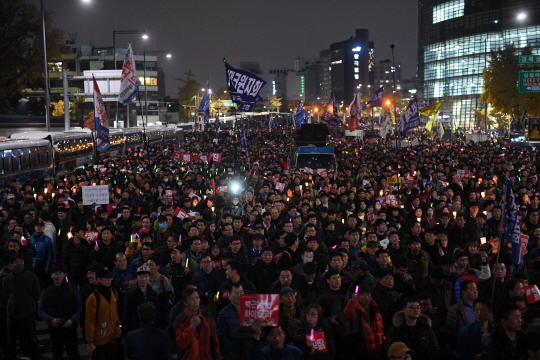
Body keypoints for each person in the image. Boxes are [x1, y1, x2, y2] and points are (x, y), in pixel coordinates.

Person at [37, 263, 82, 360]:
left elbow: (79, 307)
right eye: (55, 273)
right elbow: (40, 310)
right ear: (51, 275)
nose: (57, 276)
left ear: (64, 275)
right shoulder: (46, 291)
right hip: (54, 327)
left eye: (59, 273)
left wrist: (72, 320)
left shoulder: (72, 288)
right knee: (57, 353)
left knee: (73, 352)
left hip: (70, 325)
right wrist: (51, 319)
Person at [3, 252, 41, 360]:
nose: (19, 264)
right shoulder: (7, 278)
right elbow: (7, 294)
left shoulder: (31, 276)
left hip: (28, 312)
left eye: (21, 262)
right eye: (16, 262)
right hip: (13, 313)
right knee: (12, 338)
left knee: (31, 337)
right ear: (12, 264)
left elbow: (37, 293)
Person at [85, 266, 122, 360]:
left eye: (110, 278)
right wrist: (90, 342)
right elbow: (89, 321)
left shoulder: (114, 292)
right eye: (106, 278)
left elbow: (115, 312)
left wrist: (118, 328)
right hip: (99, 341)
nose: (109, 280)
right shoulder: (93, 298)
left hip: (113, 338)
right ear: (99, 279)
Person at [176, 287, 221, 360]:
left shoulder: (207, 316)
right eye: (192, 299)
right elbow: (181, 344)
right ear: (185, 302)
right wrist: (192, 327)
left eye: (197, 298)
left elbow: (214, 342)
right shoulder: (180, 320)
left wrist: (217, 357)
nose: (195, 301)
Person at [343, 284, 385, 359]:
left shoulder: (375, 309)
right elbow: (347, 315)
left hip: (378, 350)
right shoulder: (356, 310)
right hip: (362, 351)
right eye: (363, 295)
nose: (366, 297)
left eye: (368, 295)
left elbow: (380, 330)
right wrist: (352, 302)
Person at [122, 265, 161, 338]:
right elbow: (126, 314)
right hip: (135, 329)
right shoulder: (130, 294)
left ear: (149, 278)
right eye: (141, 276)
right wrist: (124, 335)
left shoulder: (153, 293)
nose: (143, 279)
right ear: (137, 277)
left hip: (151, 330)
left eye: (146, 276)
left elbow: (157, 312)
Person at [217, 283, 253, 360]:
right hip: (232, 352)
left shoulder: (251, 310)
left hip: (249, 350)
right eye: (235, 292)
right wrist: (233, 346)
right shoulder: (223, 313)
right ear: (229, 295)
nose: (239, 295)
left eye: (240, 292)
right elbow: (221, 335)